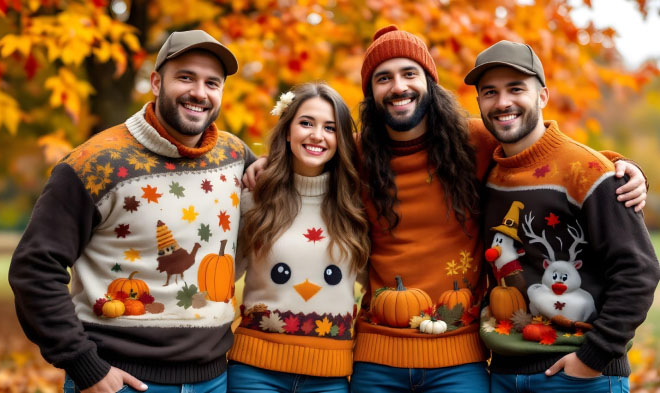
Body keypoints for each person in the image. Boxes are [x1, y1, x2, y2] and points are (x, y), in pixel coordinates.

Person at [241, 26, 647, 393]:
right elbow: (308, 158)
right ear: (371, 94)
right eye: (384, 78)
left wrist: (619, 167)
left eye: (409, 74)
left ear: (429, 83)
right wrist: (263, 165)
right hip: (376, 357)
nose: (398, 86)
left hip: (459, 358)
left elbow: (541, 152)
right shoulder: (359, 154)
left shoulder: (474, 140)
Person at [9, 30, 255, 393]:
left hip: (213, 380)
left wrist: (267, 167)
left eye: (212, 83)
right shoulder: (94, 164)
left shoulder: (235, 157)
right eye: (185, 77)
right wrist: (85, 366)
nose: (199, 93)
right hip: (121, 380)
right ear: (156, 83)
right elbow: (34, 268)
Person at [466, 40, 660, 393]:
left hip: (580, 375)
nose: (503, 102)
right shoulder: (488, 173)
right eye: (489, 92)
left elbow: (639, 270)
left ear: (542, 96)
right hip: (505, 373)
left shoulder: (589, 172)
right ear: (478, 102)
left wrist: (592, 359)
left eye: (516, 89)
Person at [227, 82, 370, 393]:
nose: (317, 135)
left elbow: (374, 279)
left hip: (330, 376)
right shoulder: (254, 197)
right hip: (255, 371)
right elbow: (222, 277)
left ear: (341, 140)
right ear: (287, 131)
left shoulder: (355, 206)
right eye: (306, 123)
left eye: (330, 128)